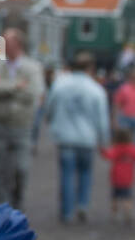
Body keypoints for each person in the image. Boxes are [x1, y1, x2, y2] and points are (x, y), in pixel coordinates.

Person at [44, 51, 111, 223]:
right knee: (86, 173)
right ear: (91, 67)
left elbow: (49, 106)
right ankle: (82, 204)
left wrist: (51, 121)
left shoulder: (60, 84)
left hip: (66, 137)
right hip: (87, 138)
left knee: (66, 174)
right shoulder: (96, 89)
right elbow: (102, 118)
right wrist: (104, 140)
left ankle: (67, 212)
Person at [0, 28, 46, 207]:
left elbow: (33, 93)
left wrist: (4, 88)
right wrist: (16, 87)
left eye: (5, 42)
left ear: (17, 44)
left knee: (21, 167)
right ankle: (1, 206)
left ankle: (18, 203)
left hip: (21, 125)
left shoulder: (33, 68)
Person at [101, 128, 135, 223]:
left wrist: (102, 150)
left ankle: (114, 214)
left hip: (116, 178)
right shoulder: (132, 149)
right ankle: (128, 212)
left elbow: (108, 155)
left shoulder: (116, 148)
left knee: (114, 197)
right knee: (127, 197)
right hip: (128, 179)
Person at [113, 69, 135, 136]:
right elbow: (116, 105)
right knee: (126, 140)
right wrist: (115, 121)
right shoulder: (123, 89)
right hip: (125, 119)